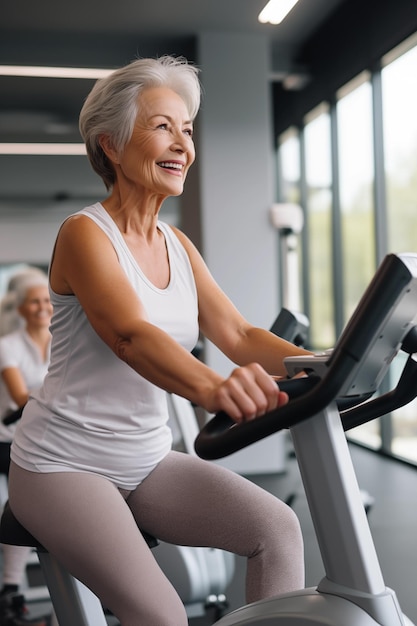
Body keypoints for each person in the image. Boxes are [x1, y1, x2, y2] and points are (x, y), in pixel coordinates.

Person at [8, 56, 310, 626]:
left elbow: (239, 333)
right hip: (62, 465)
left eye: (187, 129)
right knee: (162, 615)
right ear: (112, 147)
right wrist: (214, 387)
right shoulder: (83, 234)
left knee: (277, 529)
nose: (182, 145)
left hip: (145, 459)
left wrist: (328, 362)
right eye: (162, 126)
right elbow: (128, 334)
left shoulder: (177, 244)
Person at [0, 270, 52, 626]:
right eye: (35, 301)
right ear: (20, 307)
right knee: (19, 508)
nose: (43, 307)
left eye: (47, 300)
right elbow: (20, 396)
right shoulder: (8, 345)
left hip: (51, 436)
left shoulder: (62, 338)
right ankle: (10, 588)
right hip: (11, 438)